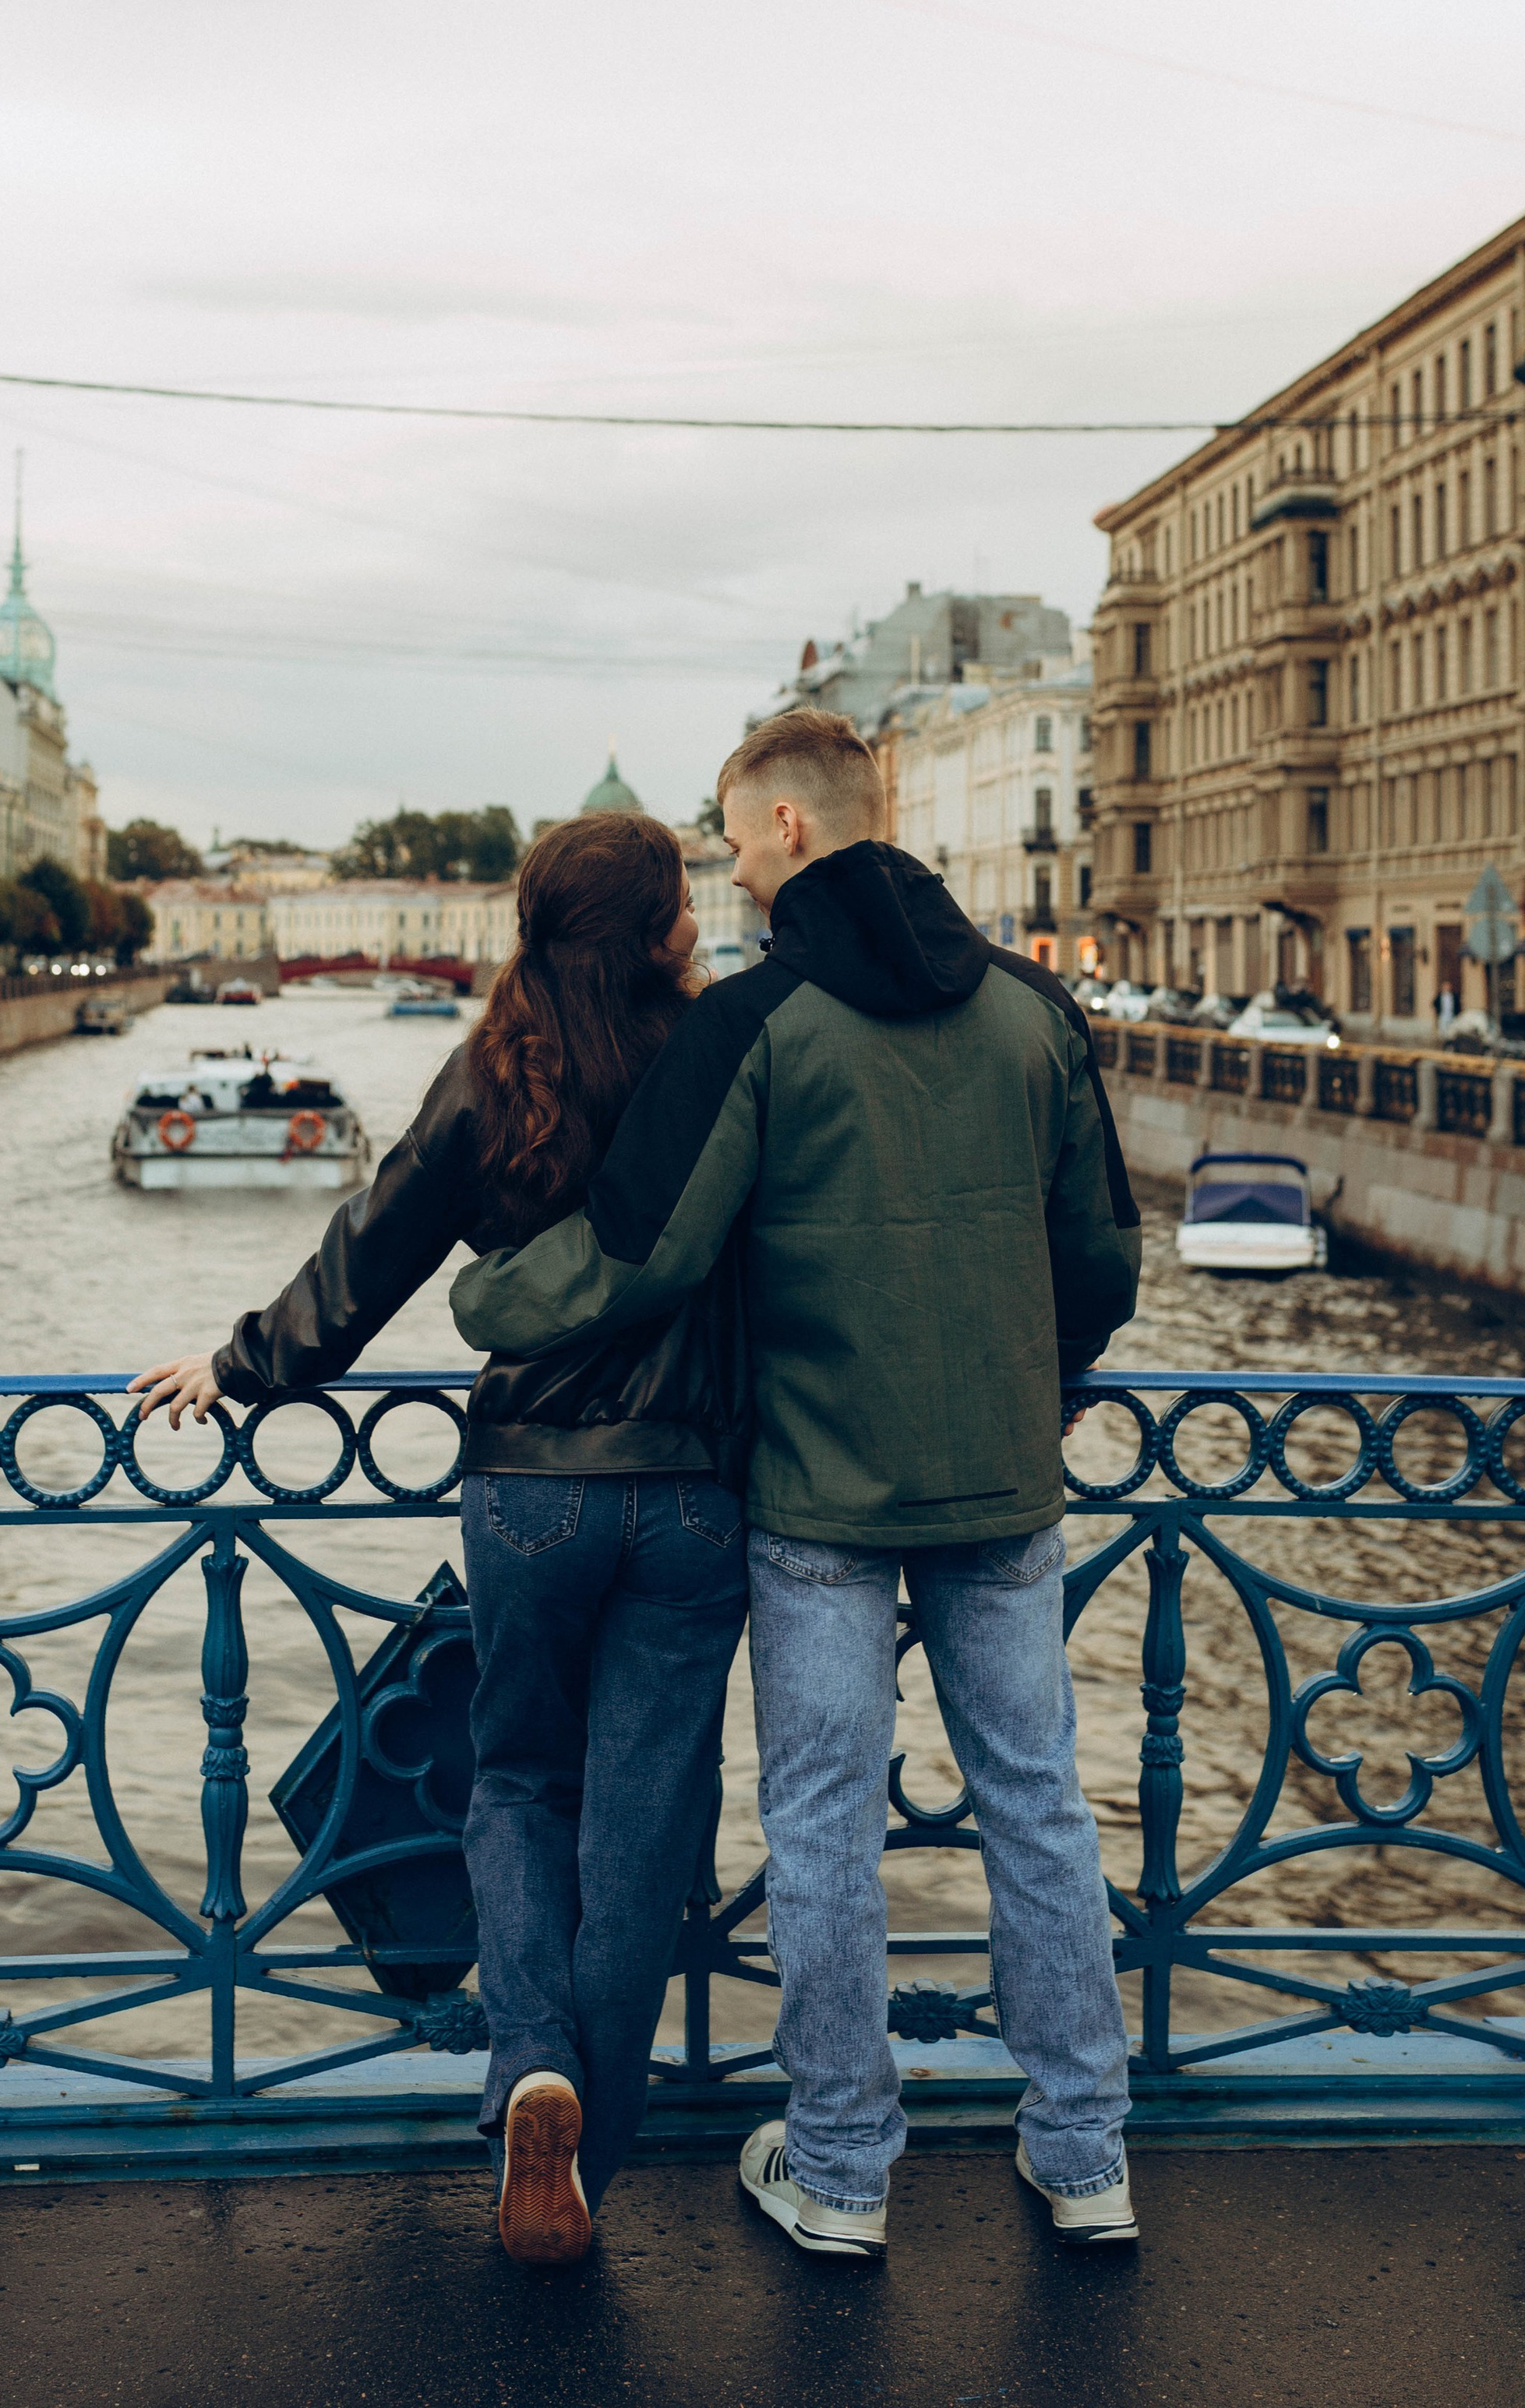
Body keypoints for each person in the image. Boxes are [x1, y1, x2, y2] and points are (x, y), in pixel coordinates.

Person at [454, 708, 1142, 2263]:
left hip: (816, 1497)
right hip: (1000, 1486)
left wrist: (484, 1307)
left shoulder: (756, 1022)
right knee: (1036, 1808)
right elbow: (1102, 1260)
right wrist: (1026, 1390)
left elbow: (646, 1250)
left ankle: (837, 2172)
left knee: (820, 1823)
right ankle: (1084, 2154)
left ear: (779, 831)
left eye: (730, 828)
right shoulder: (1036, 1010)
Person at [129, 812, 748, 2265]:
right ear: (659, 927)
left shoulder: (498, 1066)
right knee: (645, 1823)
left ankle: (526, 2063)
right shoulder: (724, 1058)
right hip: (697, 1486)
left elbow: (379, 1243)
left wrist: (242, 1362)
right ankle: (587, 2144)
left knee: (521, 1781)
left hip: (531, 1486)